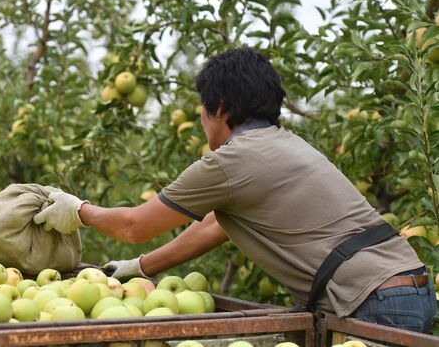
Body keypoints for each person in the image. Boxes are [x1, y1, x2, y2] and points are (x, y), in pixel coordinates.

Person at [33, 47, 436, 333]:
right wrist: (141, 268)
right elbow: (213, 227)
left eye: (203, 112)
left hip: (373, 301)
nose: (203, 123)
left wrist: (77, 210)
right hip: (408, 287)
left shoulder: (232, 160)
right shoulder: (285, 144)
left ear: (221, 108)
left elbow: (135, 226)